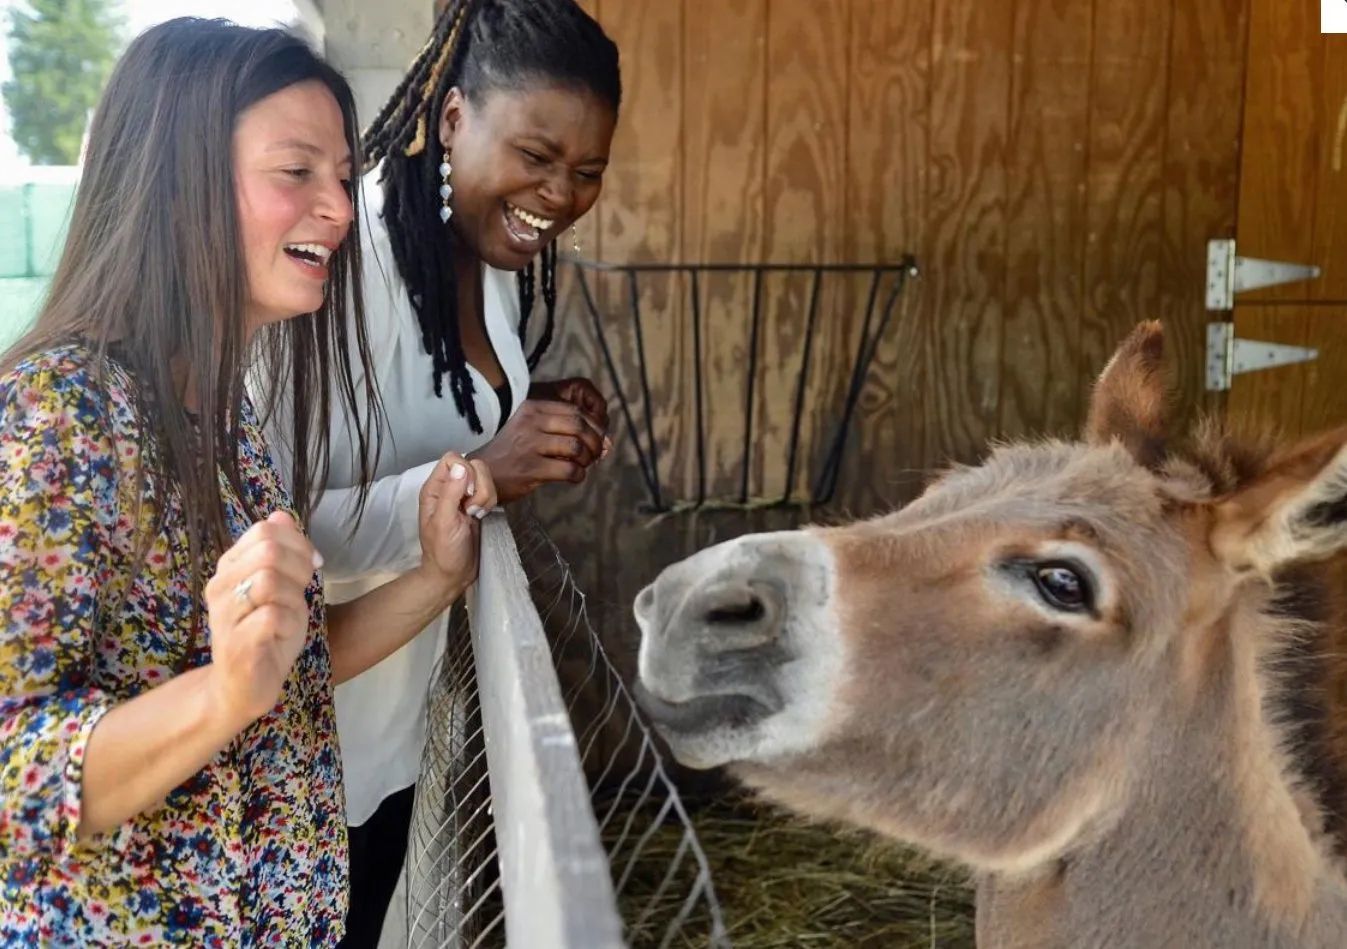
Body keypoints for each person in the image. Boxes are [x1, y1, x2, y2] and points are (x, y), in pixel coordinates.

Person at [0, 19, 493, 945]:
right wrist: (222, 694)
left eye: (341, 176)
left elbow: (281, 671)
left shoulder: (221, 421)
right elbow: (15, 778)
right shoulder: (56, 414)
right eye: (295, 171)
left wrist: (436, 574)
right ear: (175, 183)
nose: (338, 208)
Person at [261, 1, 621, 942]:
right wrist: (484, 469)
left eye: (588, 172)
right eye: (536, 155)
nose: (560, 193)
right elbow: (283, 525)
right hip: (307, 743)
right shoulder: (345, 266)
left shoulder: (486, 249)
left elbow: (433, 407)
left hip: (394, 729)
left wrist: (527, 403)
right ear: (454, 118)